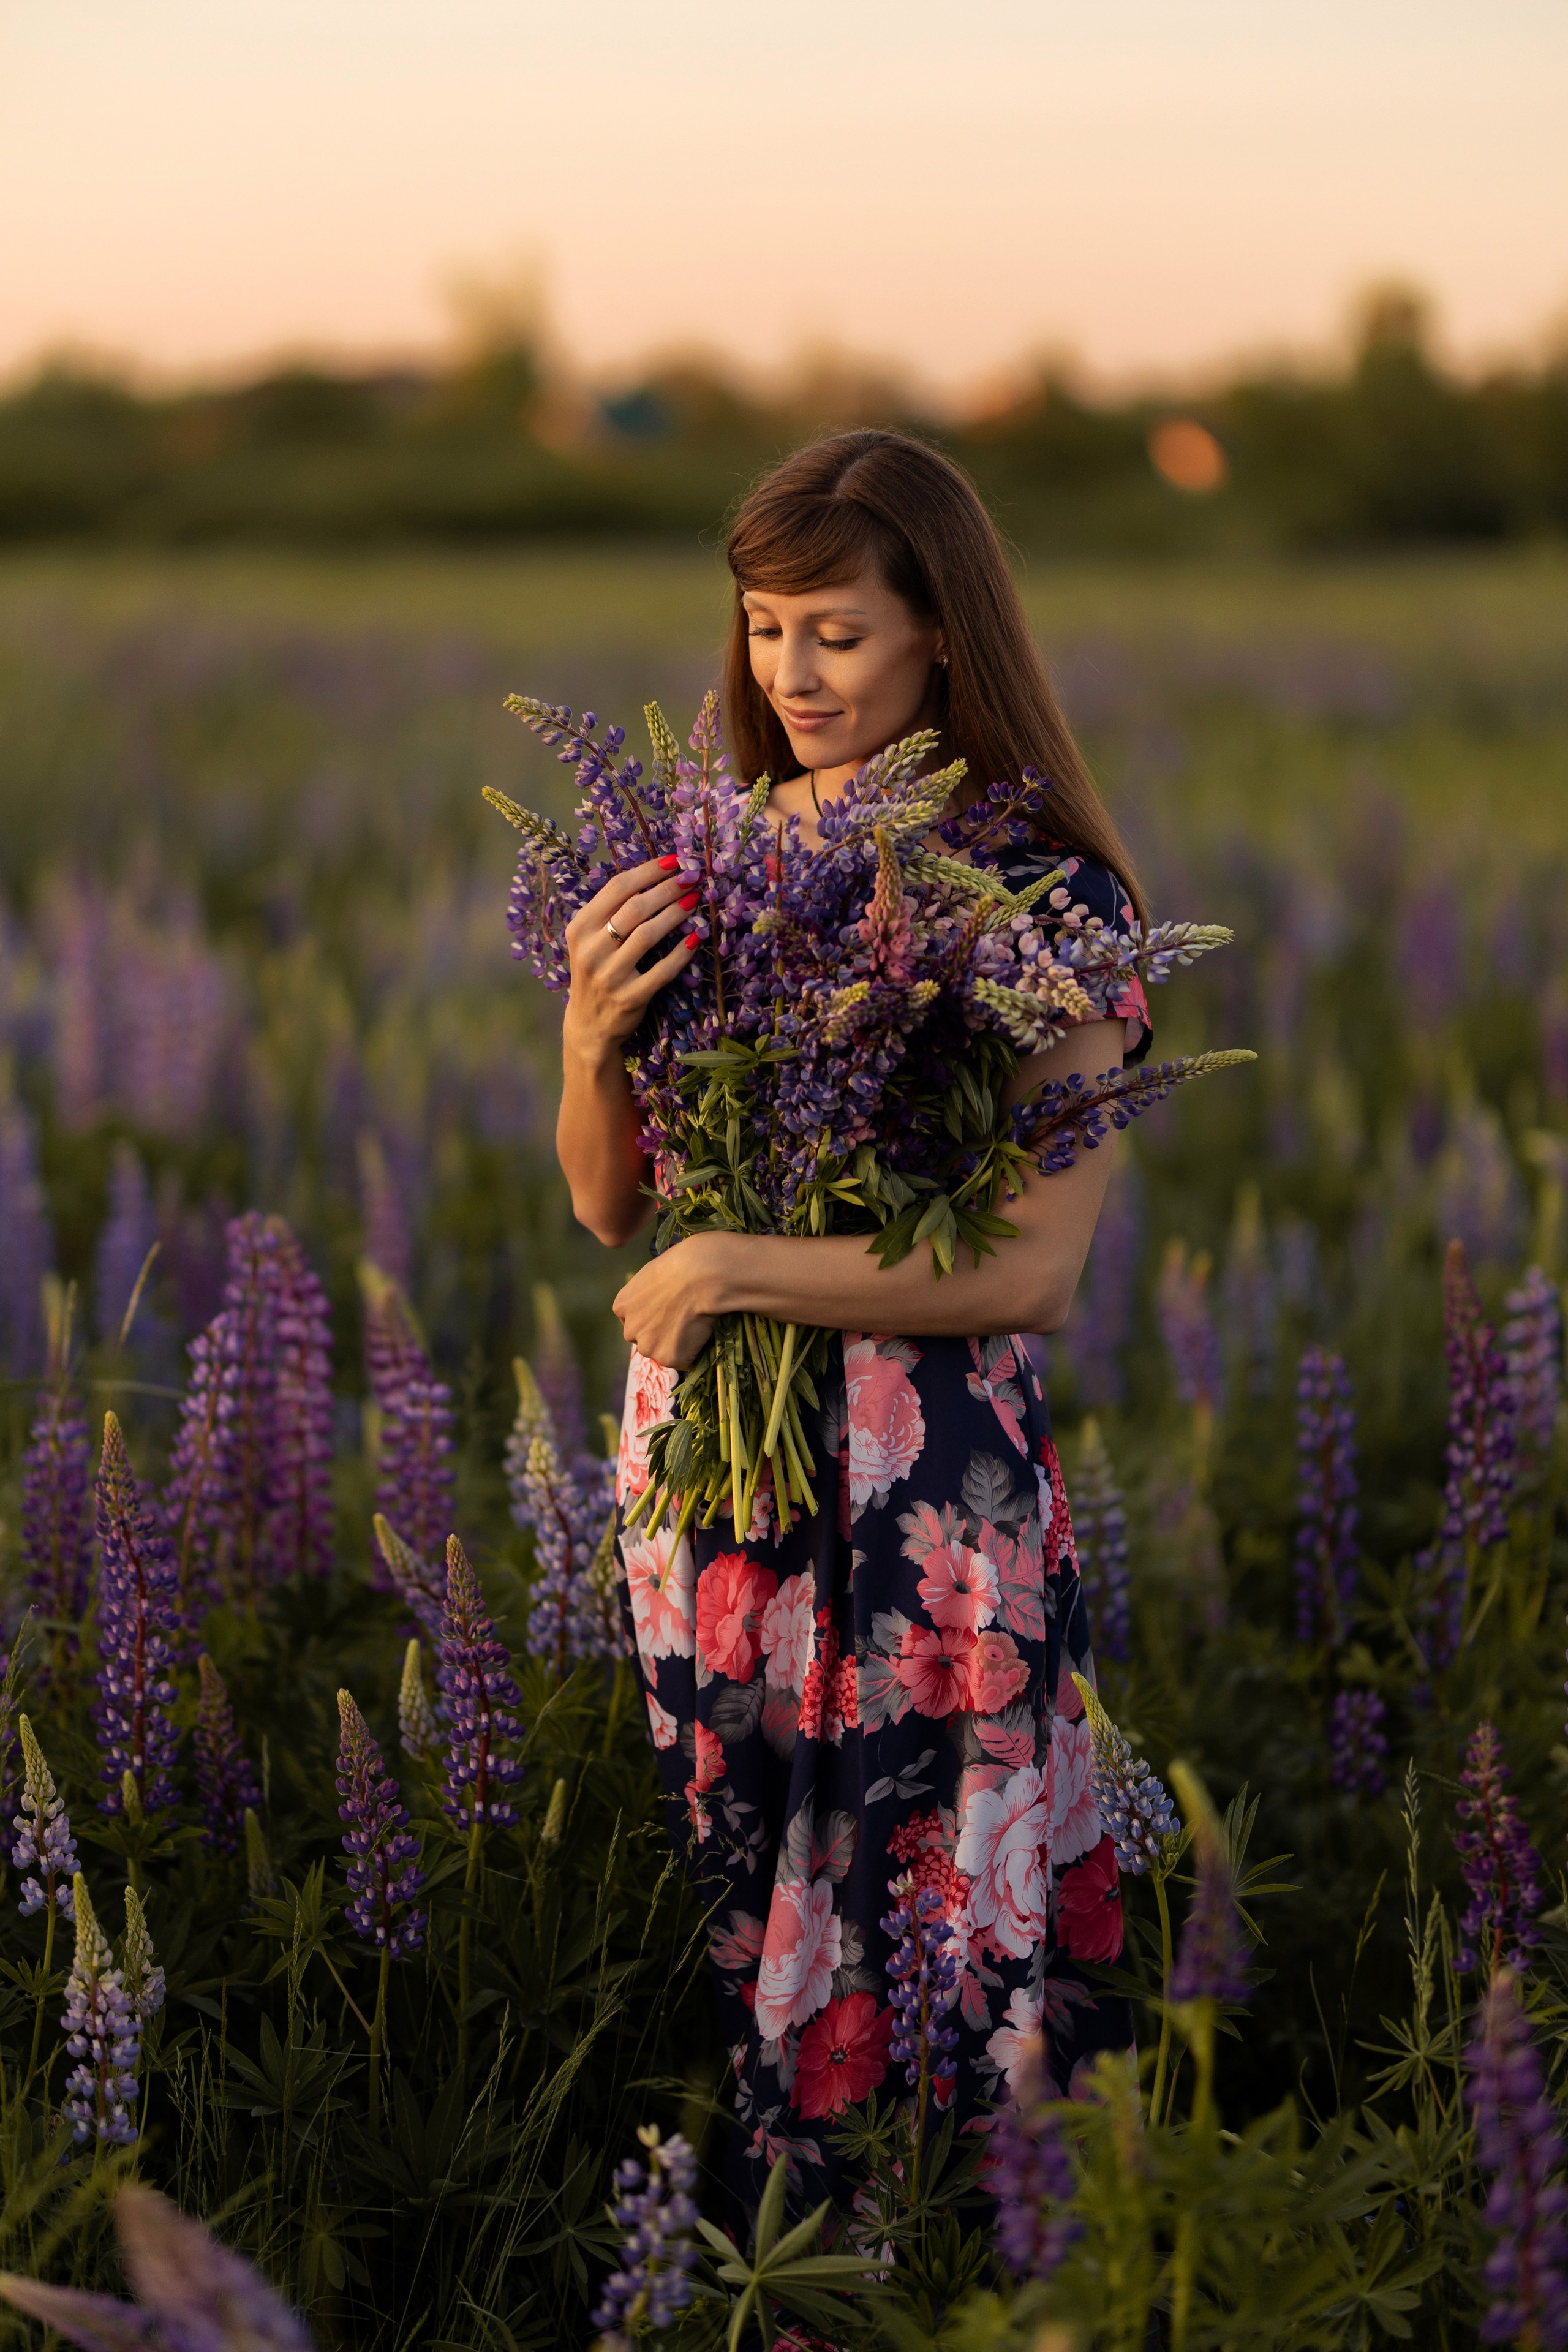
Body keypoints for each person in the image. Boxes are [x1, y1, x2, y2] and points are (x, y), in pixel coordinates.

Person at [554, 430, 1150, 2202]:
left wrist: (736, 1268)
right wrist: (591, 1041)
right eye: (763, 629)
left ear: (942, 635)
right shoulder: (717, 856)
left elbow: (1030, 1266)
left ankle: (958, 2263)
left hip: (919, 1493)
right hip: (718, 1492)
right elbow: (609, 1202)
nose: (791, 676)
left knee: (935, 1900)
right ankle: (778, 2257)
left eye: (836, 634)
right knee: (748, 1886)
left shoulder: (1047, 895)